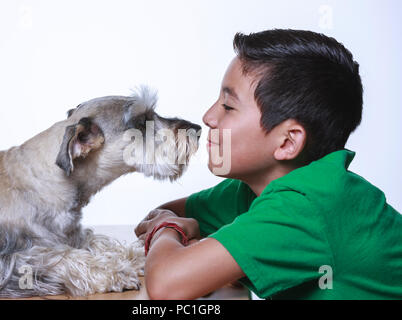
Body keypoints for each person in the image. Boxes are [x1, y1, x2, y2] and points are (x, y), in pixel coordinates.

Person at [134, 29, 402, 300]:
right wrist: (172, 228)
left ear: (287, 142)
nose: (208, 117)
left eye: (228, 106)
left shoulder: (305, 207)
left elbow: (166, 286)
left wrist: (171, 230)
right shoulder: (252, 189)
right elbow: (163, 213)